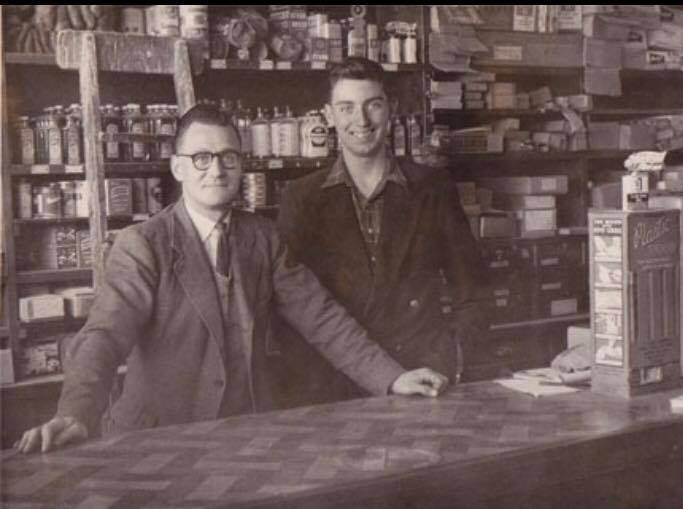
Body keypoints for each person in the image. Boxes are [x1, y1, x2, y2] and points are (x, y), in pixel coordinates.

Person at [16, 104, 448, 454]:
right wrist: (75, 412)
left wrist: (391, 378)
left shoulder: (260, 235)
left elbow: (321, 317)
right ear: (177, 168)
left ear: (242, 166)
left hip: (245, 434)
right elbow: (105, 335)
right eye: (201, 158)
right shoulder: (142, 243)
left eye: (229, 157)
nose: (216, 170)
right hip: (155, 443)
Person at [277, 57, 488, 405]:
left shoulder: (431, 188)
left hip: (424, 377)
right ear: (329, 116)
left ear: (391, 109)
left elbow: (473, 289)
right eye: (346, 107)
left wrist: (454, 357)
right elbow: (295, 307)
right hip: (334, 386)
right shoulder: (302, 198)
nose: (360, 121)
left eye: (372, 105)